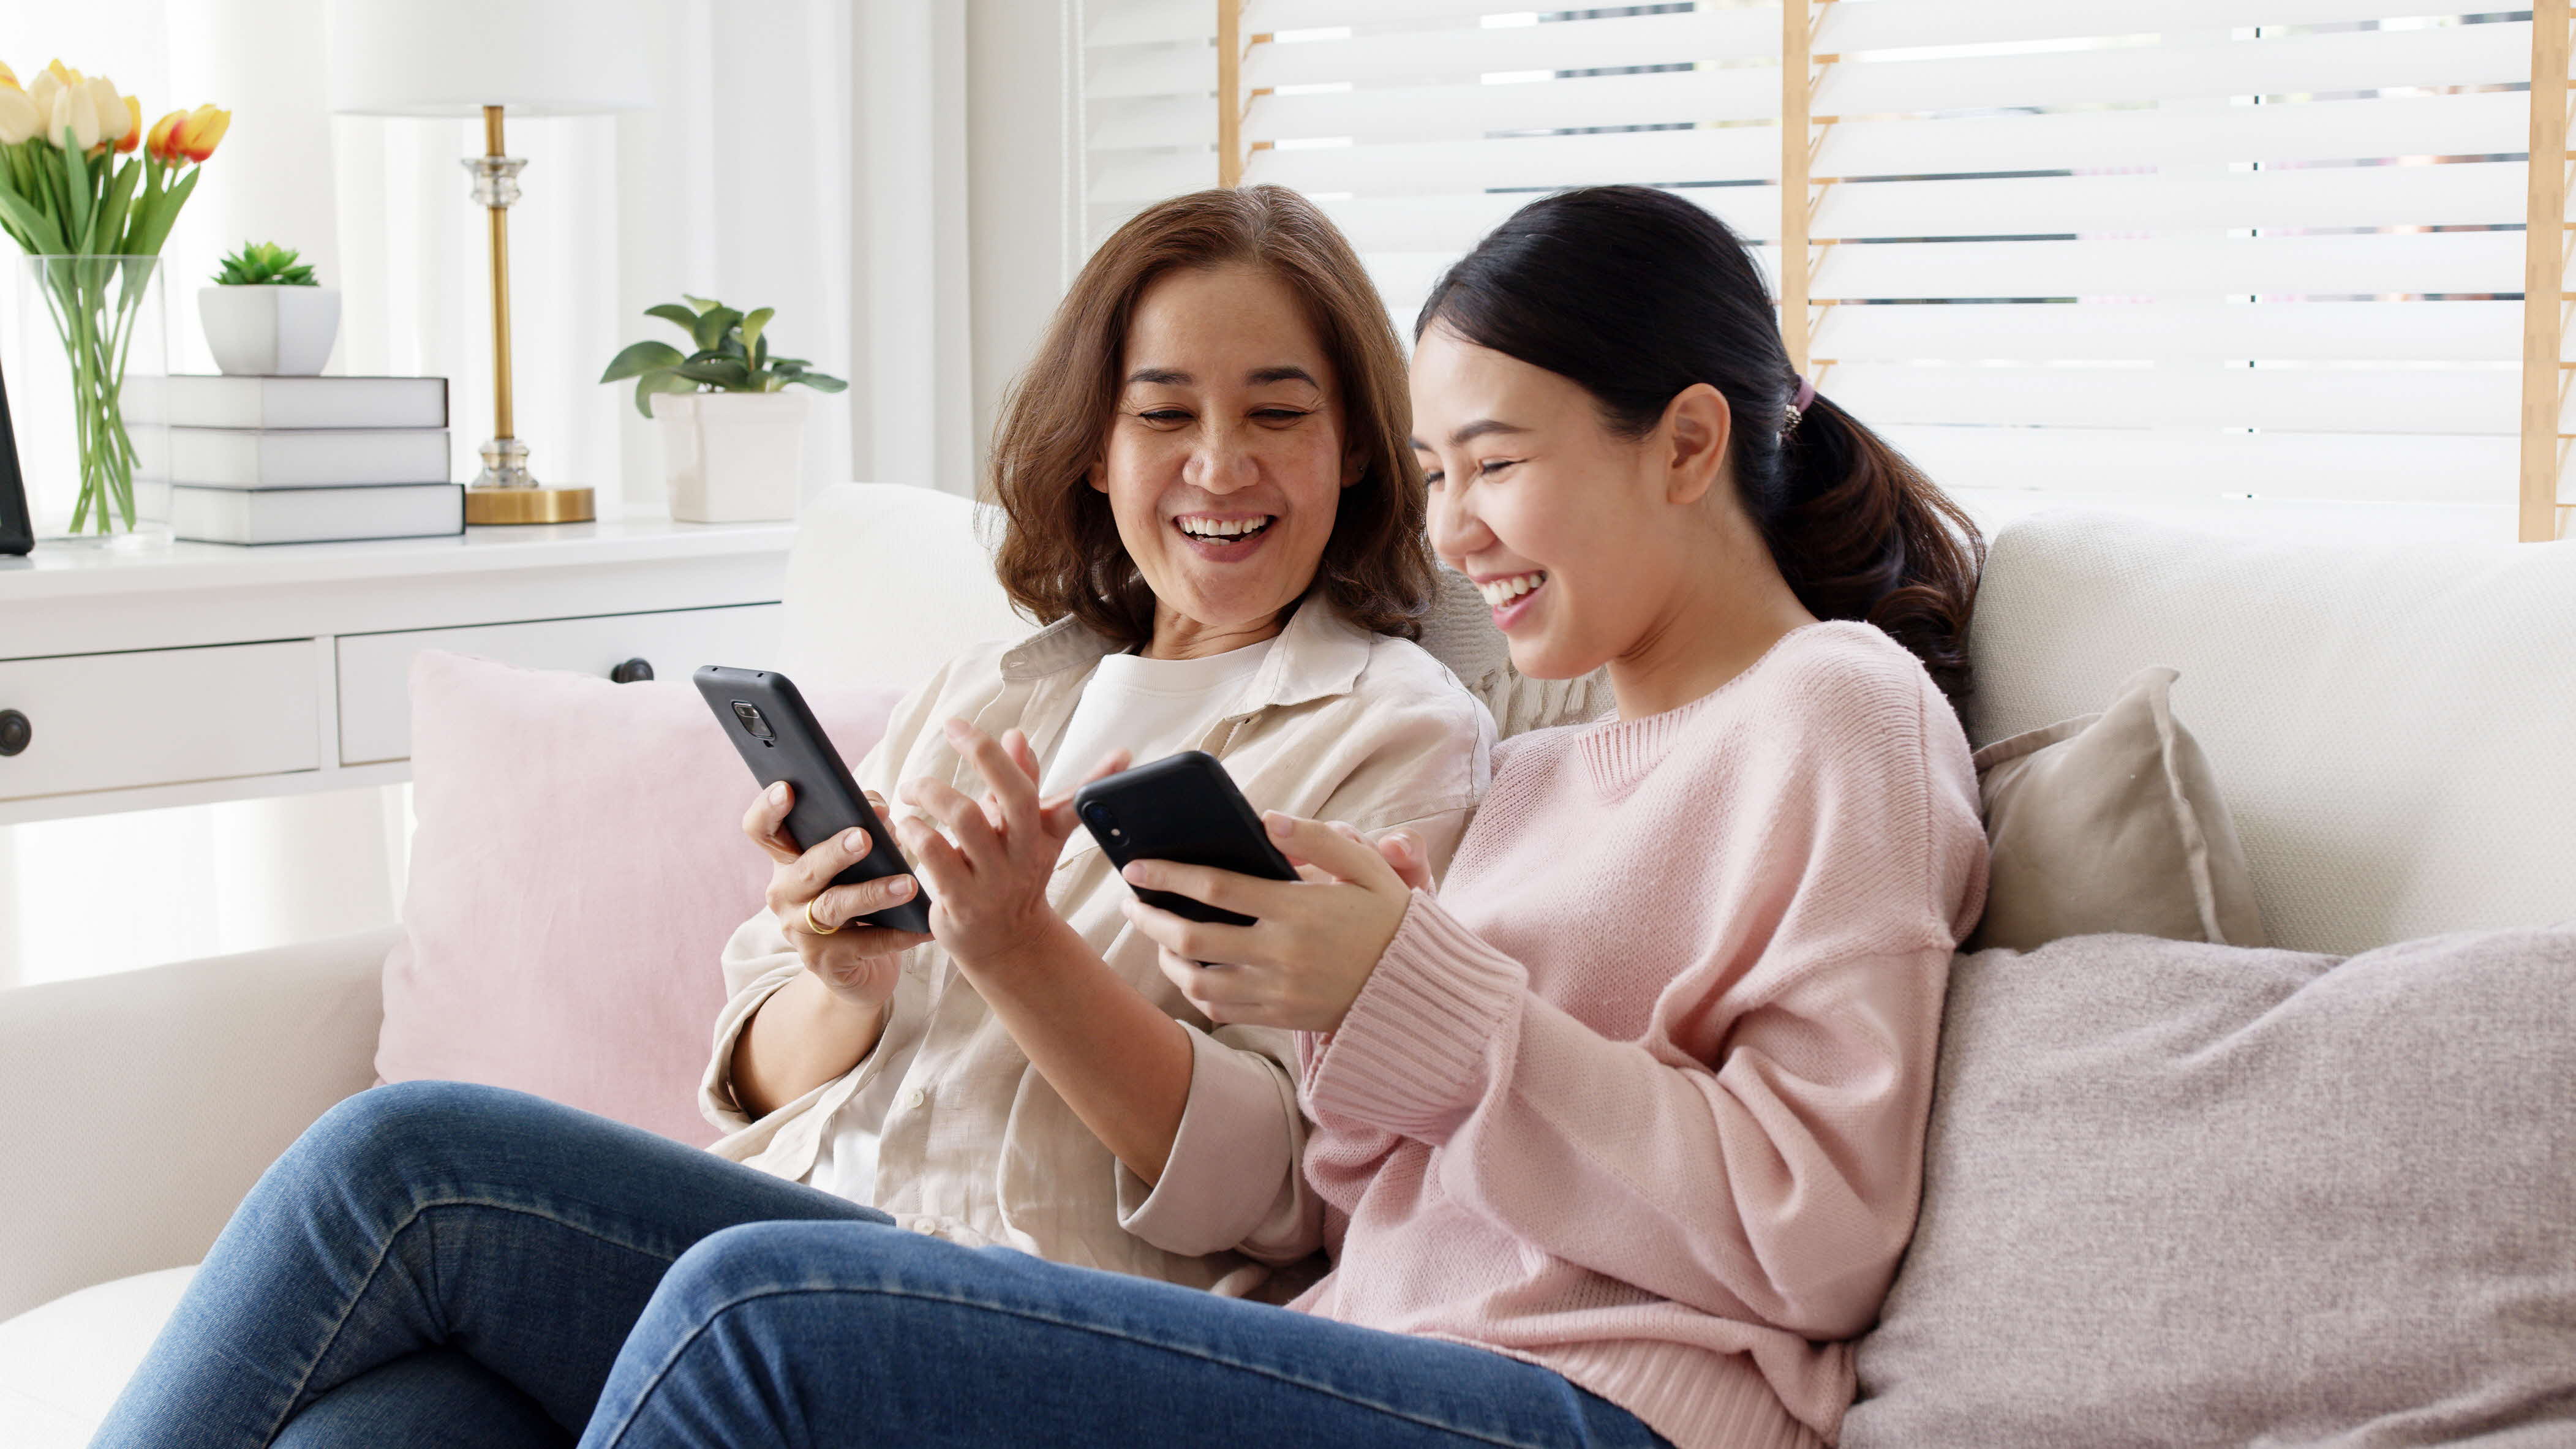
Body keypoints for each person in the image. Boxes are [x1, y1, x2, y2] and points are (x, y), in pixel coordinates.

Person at [541, 183, 1994, 1448]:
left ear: (1685, 447)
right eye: (1440, 477)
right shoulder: (1548, 778)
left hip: (1594, 1407)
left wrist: (1414, 994)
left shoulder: (1837, 711)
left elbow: (1819, 1238)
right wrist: (1339, 1011)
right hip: (1372, 1355)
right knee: (417, 1221)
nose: (1452, 532)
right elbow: (1369, 1210)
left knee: (751, 1315)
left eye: (1492, 464)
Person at [91, 186, 1489, 1447]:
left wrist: (1016, 950)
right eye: (1166, 413)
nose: (1219, 464)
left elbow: (1283, 1191)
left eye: (1278, 413)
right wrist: (845, 972)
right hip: (782, 1244)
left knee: (397, 1161)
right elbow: (756, 1074)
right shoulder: (998, 682)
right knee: (391, 1425)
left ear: (1361, 448)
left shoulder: (1396, 731)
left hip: (1012, 1317)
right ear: (1096, 451)